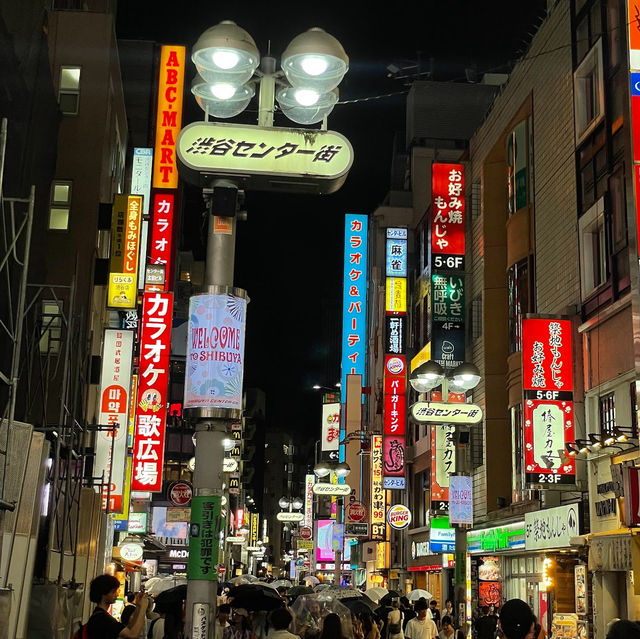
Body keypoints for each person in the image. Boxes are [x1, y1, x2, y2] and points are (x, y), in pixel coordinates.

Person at [86, 574, 149, 638]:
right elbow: (132, 635)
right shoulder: (103, 618)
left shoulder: (100, 615)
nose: (117, 594)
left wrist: (138, 606)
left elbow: (129, 629)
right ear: (103, 594)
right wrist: (143, 607)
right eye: (113, 592)